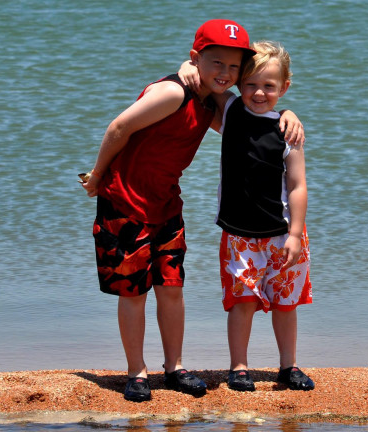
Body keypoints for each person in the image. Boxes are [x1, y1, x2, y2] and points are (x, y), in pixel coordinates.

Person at [80, 20, 303, 402]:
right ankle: (137, 371)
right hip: (125, 202)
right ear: (196, 58)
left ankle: (174, 367)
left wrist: (288, 114)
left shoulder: (210, 101)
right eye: (216, 63)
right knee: (133, 292)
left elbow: (248, 128)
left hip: (167, 203)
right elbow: (119, 127)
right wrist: (98, 175)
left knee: (172, 288)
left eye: (234, 68)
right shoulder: (173, 93)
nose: (225, 73)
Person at [179, 41, 314, 392]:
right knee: (242, 302)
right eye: (251, 84)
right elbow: (203, 80)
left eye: (269, 86)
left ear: (284, 88)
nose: (259, 93)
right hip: (239, 235)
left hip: (283, 234)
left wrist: (296, 235)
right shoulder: (231, 113)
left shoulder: (288, 132)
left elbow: (297, 186)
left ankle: (289, 366)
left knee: (285, 304)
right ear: (239, 84)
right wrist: (186, 68)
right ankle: (238, 367)